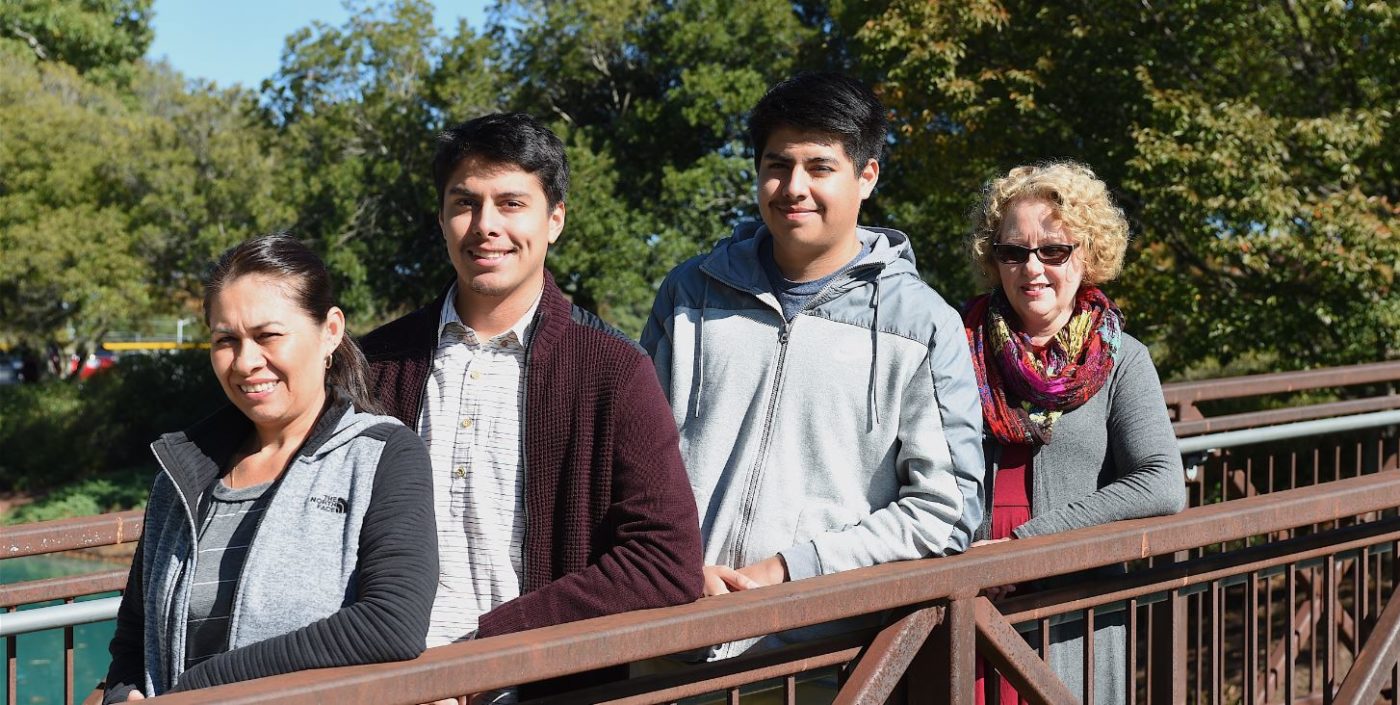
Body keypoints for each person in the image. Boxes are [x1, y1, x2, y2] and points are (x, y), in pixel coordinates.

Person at [641, 72, 985, 658]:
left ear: (867, 175)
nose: (793, 187)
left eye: (820, 167)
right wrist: (675, 564)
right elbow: (631, 459)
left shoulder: (923, 323)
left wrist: (791, 568)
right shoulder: (690, 293)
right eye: (777, 165)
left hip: (831, 658)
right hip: (672, 637)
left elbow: (948, 512)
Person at [360, 113, 703, 678]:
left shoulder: (613, 371)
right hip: (380, 681)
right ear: (442, 217)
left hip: (536, 685)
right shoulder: (374, 365)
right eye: (465, 203)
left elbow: (665, 563)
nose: (485, 225)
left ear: (555, 220)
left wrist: (490, 645)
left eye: (512, 203)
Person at [102, 234, 437, 702]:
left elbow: (392, 623)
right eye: (226, 341)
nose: (245, 362)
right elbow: (135, 633)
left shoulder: (383, 455)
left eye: (268, 336)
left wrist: (205, 687)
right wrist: (122, 694)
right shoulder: (182, 472)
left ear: (331, 331)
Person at [962, 161, 1187, 704]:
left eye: (1053, 251)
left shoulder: (1122, 360)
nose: (1032, 268)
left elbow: (1162, 483)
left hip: (1066, 597)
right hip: (961, 584)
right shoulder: (954, 345)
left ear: (1087, 255)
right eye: (1013, 252)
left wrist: (1024, 547)